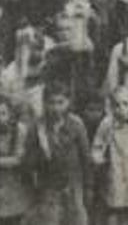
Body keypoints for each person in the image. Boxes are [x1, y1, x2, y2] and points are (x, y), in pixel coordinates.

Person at [28, 83, 91, 225]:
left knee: (76, 219)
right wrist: (42, 155)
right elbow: (30, 160)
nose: (56, 108)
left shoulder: (76, 124)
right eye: (51, 103)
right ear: (44, 103)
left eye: (60, 102)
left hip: (73, 183)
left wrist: (88, 186)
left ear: (68, 102)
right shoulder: (38, 127)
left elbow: (86, 157)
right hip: (49, 186)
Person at [91, 87, 128, 225]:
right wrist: (97, 157)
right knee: (115, 207)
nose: (121, 109)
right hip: (115, 172)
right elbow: (98, 143)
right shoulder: (107, 123)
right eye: (116, 105)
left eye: (125, 104)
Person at [0, 95, 33, 225]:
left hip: (16, 182)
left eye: (3, 113)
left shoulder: (19, 130)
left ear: (10, 113)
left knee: (16, 217)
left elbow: (19, 158)